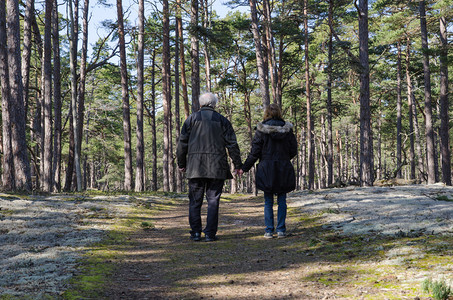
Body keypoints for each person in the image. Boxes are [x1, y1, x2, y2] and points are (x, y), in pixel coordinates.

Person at [176, 93, 242, 242]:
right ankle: (210, 234)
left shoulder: (191, 119)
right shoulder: (222, 120)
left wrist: (182, 164)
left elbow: (182, 144)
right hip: (216, 167)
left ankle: (196, 233)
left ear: (201, 104)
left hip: (195, 167)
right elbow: (232, 145)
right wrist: (238, 165)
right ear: (215, 104)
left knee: (195, 201)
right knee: (213, 201)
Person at [241, 104, 297, 239]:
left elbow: (254, 152)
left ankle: (268, 230)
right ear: (279, 113)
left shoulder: (261, 130)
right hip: (283, 167)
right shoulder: (287, 130)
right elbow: (293, 150)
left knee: (268, 201)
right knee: (282, 199)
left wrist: (244, 168)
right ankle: (281, 230)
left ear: (266, 114)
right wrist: (284, 158)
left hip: (266, 168)